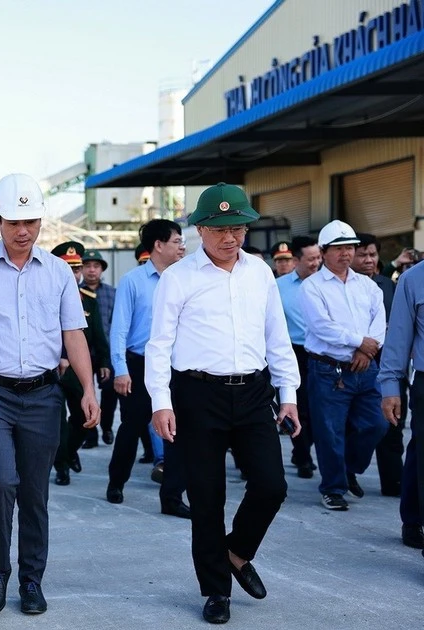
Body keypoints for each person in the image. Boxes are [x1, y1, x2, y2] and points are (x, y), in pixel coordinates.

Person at [0, 173, 100, 617]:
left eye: (31, 220)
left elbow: (74, 334)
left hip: (44, 396)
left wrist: (88, 388)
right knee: (0, 481)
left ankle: (31, 579)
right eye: (13, 221)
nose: (23, 230)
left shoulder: (57, 273)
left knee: (34, 492)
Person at [146, 183, 300, 625]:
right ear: (200, 230)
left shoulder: (260, 273)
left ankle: (235, 552)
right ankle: (216, 592)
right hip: (197, 396)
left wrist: (288, 395)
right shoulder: (178, 277)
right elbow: (159, 345)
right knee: (207, 499)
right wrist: (161, 402)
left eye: (237, 228)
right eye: (219, 229)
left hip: (254, 393)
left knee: (272, 485)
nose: (229, 237)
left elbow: (277, 338)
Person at [301, 220, 389, 511]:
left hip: (366, 368)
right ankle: (333, 488)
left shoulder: (367, 285)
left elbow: (380, 323)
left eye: (350, 247)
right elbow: (321, 326)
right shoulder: (312, 287)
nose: (346, 254)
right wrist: (359, 343)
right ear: (324, 252)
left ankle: (348, 467)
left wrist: (368, 348)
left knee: (376, 424)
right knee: (329, 431)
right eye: (338, 248)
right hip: (329, 370)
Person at [107, 219, 189, 517]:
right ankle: (116, 482)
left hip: (176, 366)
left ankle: (172, 497)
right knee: (131, 428)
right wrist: (120, 369)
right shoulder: (133, 280)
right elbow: (119, 329)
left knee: (177, 432)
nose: (183, 246)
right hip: (139, 365)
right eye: (177, 241)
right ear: (158, 245)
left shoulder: (186, 278)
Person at [50, 241, 108, 486]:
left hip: (78, 370)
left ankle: (69, 452)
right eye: (68, 269)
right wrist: (61, 355)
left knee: (84, 417)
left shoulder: (87, 300)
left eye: (76, 269)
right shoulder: (46, 297)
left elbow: (96, 335)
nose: (73, 274)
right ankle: (61, 467)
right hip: (51, 370)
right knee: (57, 421)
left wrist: (104, 361)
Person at [378, 258, 424, 556]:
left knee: (419, 452)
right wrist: (390, 387)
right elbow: (398, 338)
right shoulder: (413, 280)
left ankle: (412, 515)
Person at [353, 233, 404, 497]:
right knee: (361, 424)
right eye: (362, 254)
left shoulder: (389, 285)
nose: (368, 260)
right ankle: (347, 470)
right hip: (356, 364)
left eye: (372, 254)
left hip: (390, 365)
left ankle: (393, 481)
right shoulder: (345, 287)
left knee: (393, 424)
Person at [275, 236, 322, 479]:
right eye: (311, 258)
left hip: (324, 354)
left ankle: (305, 447)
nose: (316, 263)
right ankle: (303, 456)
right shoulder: (279, 287)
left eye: (318, 258)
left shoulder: (328, 283)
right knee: (298, 407)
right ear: (296, 260)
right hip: (295, 352)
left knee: (320, 409)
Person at [80, 249, 117, 447]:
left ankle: (108, 426)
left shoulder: (112, 293)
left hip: (106, 353)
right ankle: (90, 434)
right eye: (87, 266)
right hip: (82, 352)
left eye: (96, 266)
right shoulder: (75, 293)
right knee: (86, 392)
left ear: (102, 269)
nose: (92, 270)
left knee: (110, 392)